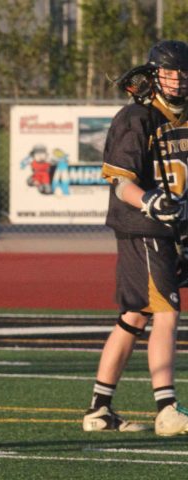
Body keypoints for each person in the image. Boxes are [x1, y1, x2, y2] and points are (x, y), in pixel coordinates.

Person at [87, 39, 188, 436]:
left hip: (170, 230)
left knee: (134, 316)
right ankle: (166, 408)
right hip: (144, 226)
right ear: (153, 74)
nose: (177, 79)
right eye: (169, 71)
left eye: (183, 72)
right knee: (167, 311)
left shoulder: (183, 119)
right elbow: (120, 182)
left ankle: (99, 409)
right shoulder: (137, 118)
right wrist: (150, 203)